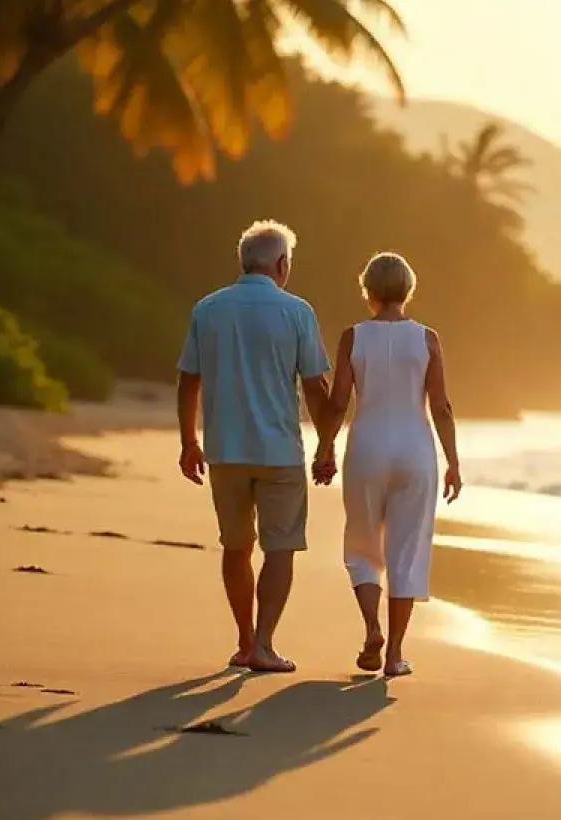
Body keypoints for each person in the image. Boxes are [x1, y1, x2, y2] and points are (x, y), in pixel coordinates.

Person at [176, 220, 332, 674]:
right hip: (279, 452)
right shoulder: (297, 311)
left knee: (236, 546)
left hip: (225, 450)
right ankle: (264, 644)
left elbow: (188, 381)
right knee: (280, 548)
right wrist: (326, 445)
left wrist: (189, 442)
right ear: (281, 264)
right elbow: (316, 387)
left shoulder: (208, 308)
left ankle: (245, 641)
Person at [313, 252, 462, 678]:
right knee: (407, 550)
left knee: (363, 544)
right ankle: (395, 654)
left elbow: (338, 402)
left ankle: (372, 629)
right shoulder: (428, 339)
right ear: (408, 290)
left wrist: (325, 448)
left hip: (367, 448)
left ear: (369, 291)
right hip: (415, 451)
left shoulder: (354, 337)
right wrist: (453, 462)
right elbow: (441, 407)